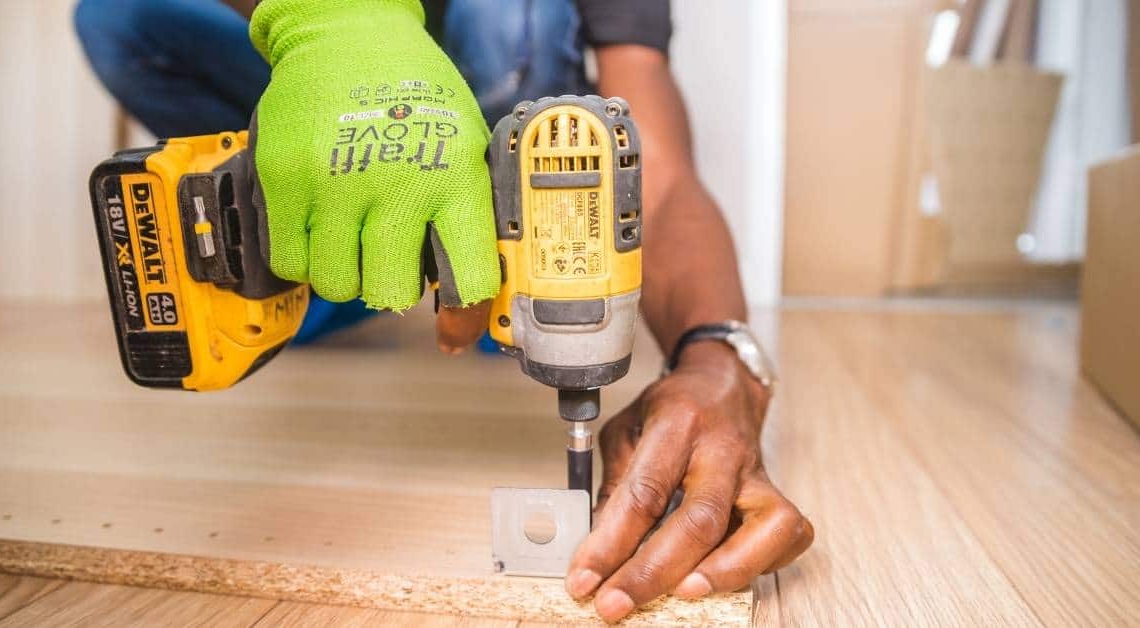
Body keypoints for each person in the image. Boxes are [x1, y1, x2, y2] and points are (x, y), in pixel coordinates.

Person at [74, 0, 813, 621]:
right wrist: (330, 20)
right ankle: (331, 240)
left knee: (505, 15)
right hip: (334, 67)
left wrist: (720, 354)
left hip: (489, 100)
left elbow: (660, 170)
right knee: (123, 15)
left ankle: (477, 253)